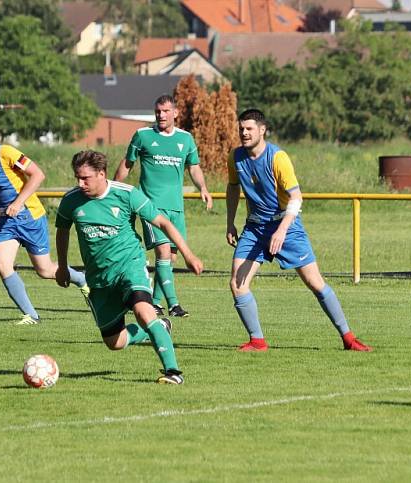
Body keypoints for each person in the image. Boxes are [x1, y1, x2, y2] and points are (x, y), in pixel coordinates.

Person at [225, 109, 372, 352]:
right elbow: (232, 188)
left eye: (249, 128)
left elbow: (296, 197)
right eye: (241, 128)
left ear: (263, 130)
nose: (244, 133)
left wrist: (281, 230)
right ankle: (257, 341)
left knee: (315, 282)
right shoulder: (235, 157)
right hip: (255, 228)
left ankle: (348, 338)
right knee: (237, 283)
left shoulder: (277, 157)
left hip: (287, 225)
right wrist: (230, 222)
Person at [55, 150, 204, 384]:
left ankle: (173, 372)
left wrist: (188, 254)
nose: (80, 183)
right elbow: (62, 232)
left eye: (85, 178)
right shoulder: (71, 201)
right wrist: (62, 267)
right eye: (77, 178)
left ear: (102, 174)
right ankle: (160, 327)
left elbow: (163, 221)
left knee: (144, 312)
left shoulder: (126, 194)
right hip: (99, 278)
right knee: (115, 342)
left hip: (130, 265)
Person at [0, 126, 89, 325]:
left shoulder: (5, 152)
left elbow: (38, 174)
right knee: (2, 265)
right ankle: (31, 315)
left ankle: (81, 279)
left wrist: (18, 202)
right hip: (5, 222)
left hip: (29, 216)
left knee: (45, 270)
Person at [114, 94, 212, 319]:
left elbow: (194, 168)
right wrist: (115, 189)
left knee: (170, 259)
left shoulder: (185, 139)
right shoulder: (143, 135)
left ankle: (154, 303)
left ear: (175, 113)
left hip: (176, 208)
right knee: (163, 252)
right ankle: (175, 305)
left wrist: (203, 188)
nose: (161, 115)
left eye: (166, 111)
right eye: (158, 111)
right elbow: (127, 164)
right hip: (151, 206)